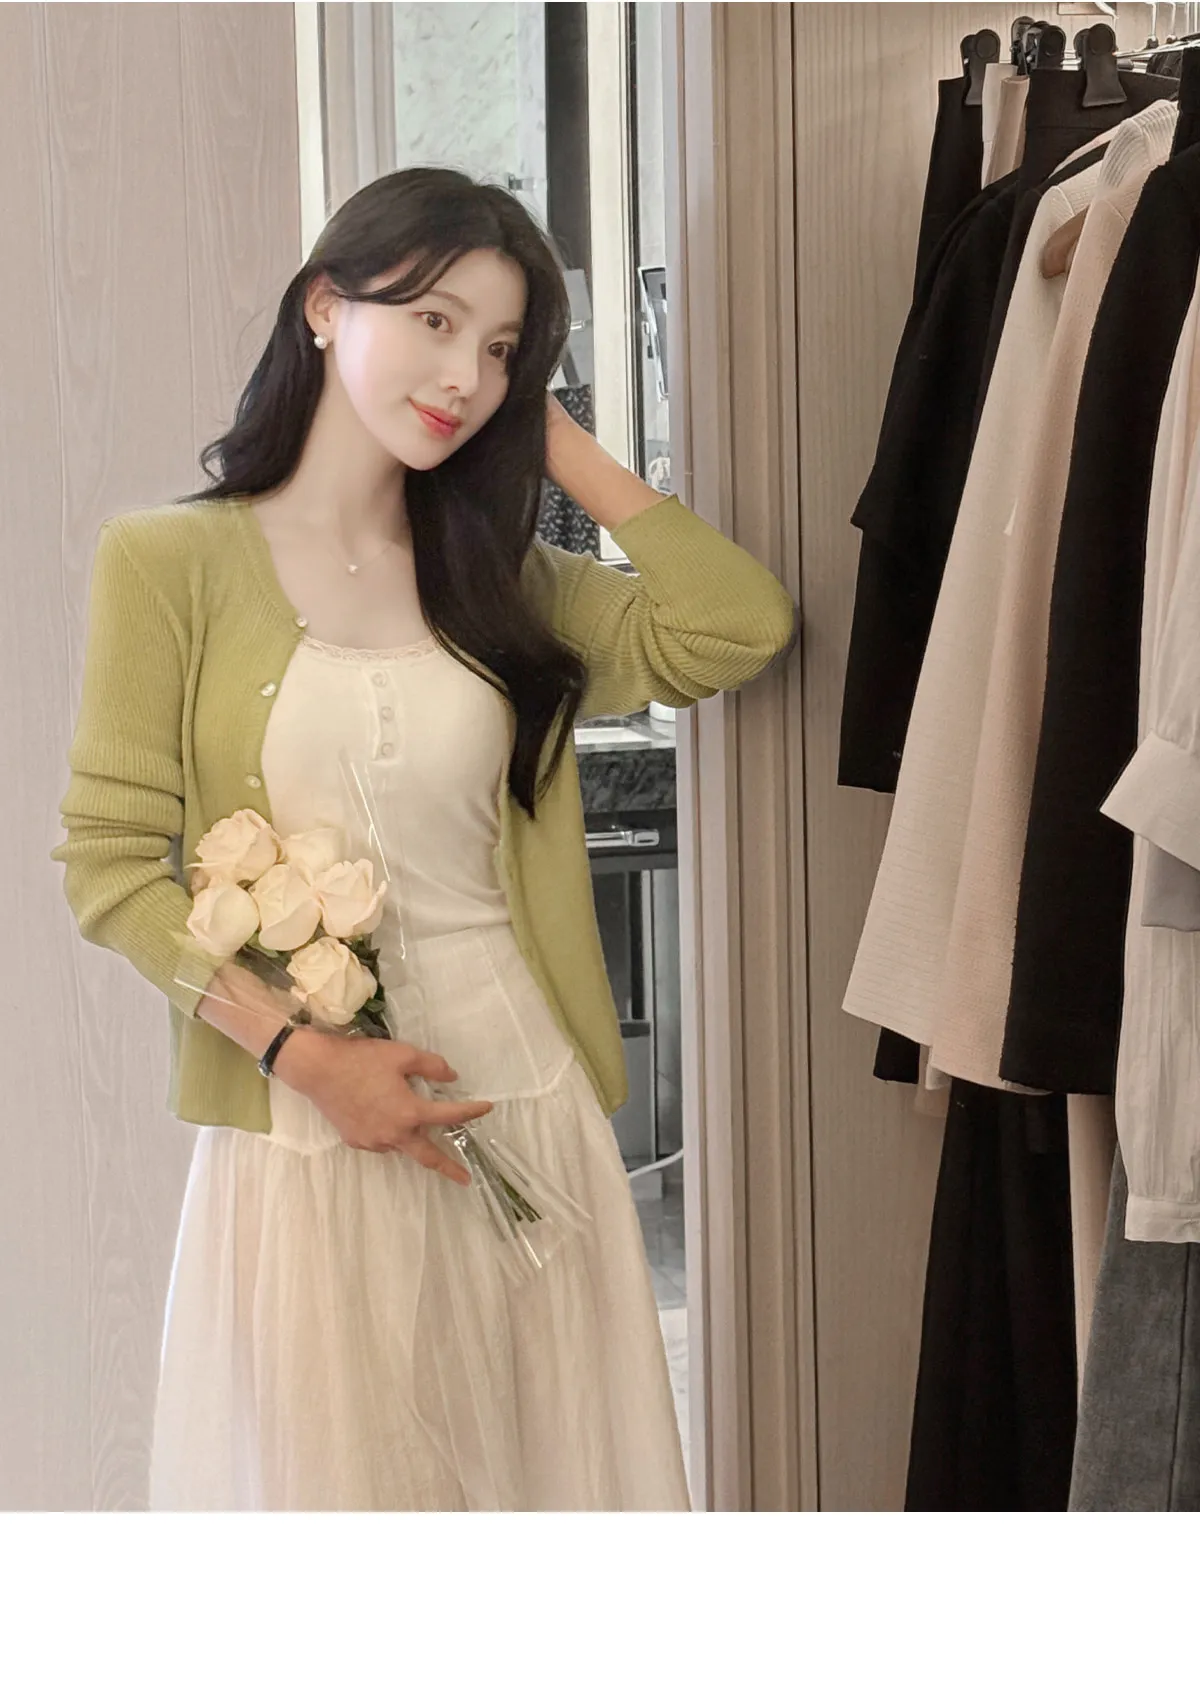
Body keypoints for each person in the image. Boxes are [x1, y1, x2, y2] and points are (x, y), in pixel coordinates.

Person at [51, 167, 796, 1511]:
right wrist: (305, 1057)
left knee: (553, 1501)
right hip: (311, 1138)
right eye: (436, 321)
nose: (465, 375)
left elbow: (735, 627)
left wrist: (556, 440)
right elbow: (110, 868)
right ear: (324, 307)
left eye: (502, 349)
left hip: (527, 1106)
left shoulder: (506, 578)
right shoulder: (167, 564)